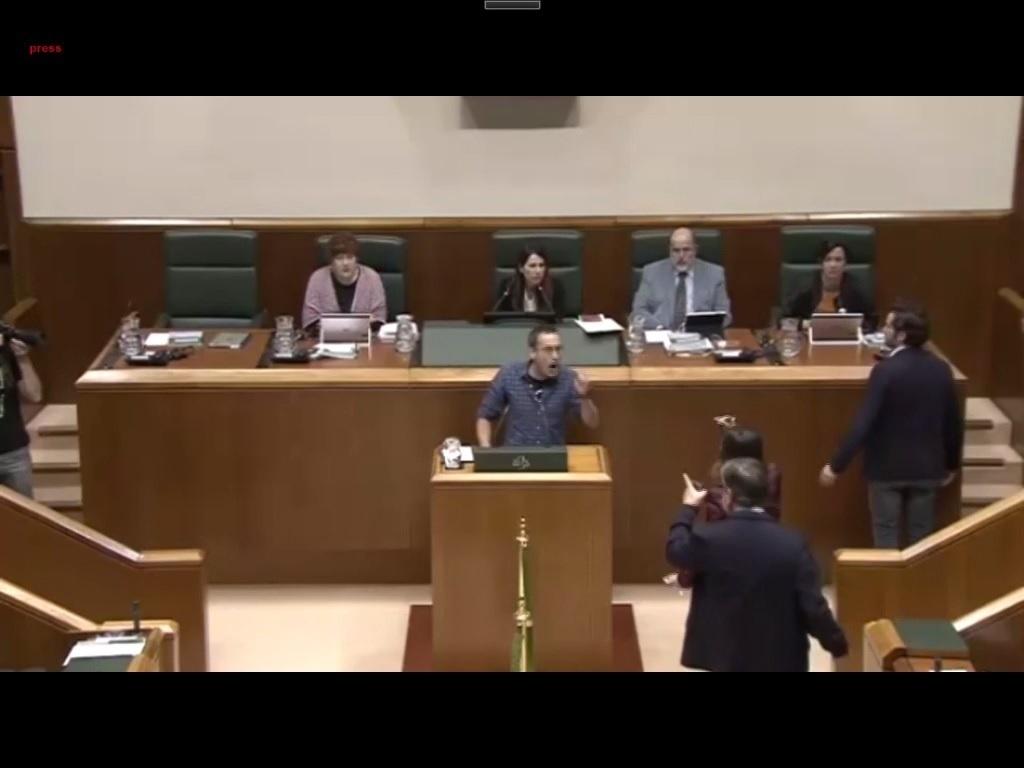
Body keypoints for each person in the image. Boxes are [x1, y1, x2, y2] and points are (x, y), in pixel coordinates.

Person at [666, 458, 848, 672]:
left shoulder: (709, 538)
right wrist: (836, 643)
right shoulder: (794, 543)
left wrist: (688, 508)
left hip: (724, 657)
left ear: (729, 496)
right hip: (780, 658)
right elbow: (812, 605)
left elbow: (675, 551)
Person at [819, 303, 963, 548]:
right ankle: (920, 586)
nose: (883, 329)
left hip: (887, 470)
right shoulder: (941, 369)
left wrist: (836, 465)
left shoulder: (885, 371)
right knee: (922, 540)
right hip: (927, 469)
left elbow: (864, 421)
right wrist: (951, 464)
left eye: (888, 325)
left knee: (886, 535)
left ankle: (886, 588)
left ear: (901, 335)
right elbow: (953, 422)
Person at [669, 423, 782, 589]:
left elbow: (700, 547)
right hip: (766, 561)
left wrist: (690, 506)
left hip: (726, 576)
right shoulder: (772, 475)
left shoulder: (720, 496)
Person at [476, 325, 598, 447]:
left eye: (558, 349)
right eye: (548, 350)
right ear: (533, 353)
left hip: (551, 456)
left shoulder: (568, 378)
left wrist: (584, 396)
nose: (555, 356)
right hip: (516, 457)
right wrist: (486, 449)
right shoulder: (509, 374)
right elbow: (485, 416)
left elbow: (592, 422)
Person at [631, 227, 731, 330]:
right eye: (676, 250)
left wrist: (702, 327)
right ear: (669, 250)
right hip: (661, 335)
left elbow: (724, 314)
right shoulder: (651, 272)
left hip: (699, 335)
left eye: (686, 250)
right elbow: (638, 311)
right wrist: (659, 328)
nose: (681, 256)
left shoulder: (714, 274)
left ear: (695, 250)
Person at [301, 232, 387, 331]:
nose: (345, 263)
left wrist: (329, 323)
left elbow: (379, 321)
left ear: (357, 259)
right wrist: (361, 322)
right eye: (339, 258)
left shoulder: (372, 278)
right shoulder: (317, 278)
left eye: (350, 258)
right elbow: (310, 323)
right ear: (331, 261)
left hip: (366, 340)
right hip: (326, 342)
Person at [783, 240, 875, 326]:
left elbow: (871, 321)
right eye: (828, 259)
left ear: (845, 264)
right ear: (821, 263)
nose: (833, 265)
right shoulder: (804, 287)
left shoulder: (856, 288)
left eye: (838, 260)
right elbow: (786, 319)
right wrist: (805, 325)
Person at [0, 333, 43, 498]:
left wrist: (22, 358)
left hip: (14, 453)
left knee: (23, 520)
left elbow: (35, 395)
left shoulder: (6, 351)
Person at [494, 245, 565, 317]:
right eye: (532, 266)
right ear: (521, 268)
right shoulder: (508, 287)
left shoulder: (556, 287)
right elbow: (500, 319)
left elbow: (558, 319)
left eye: (541, 265)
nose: (538, 271)